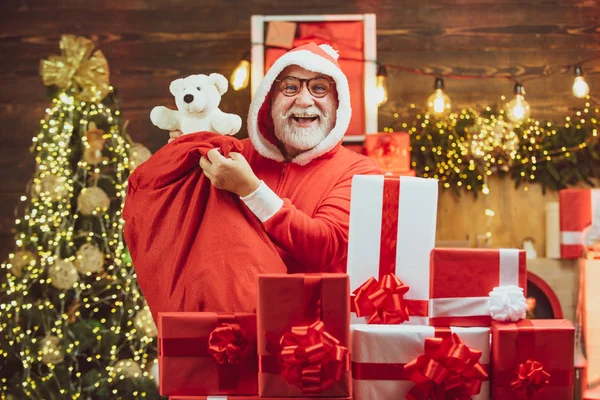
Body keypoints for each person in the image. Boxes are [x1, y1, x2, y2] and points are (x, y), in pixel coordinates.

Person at [169, 42, 380, 273]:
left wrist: (251, 190)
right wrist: (181, 158)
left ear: (338, 103)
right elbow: (184, 222)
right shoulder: (234, 155)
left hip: (317, 307)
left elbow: (326, 246)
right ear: (268, 101)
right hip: (238, 307)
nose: (304, 101)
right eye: (290, 87)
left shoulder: (359, 172)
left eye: (319, 88)